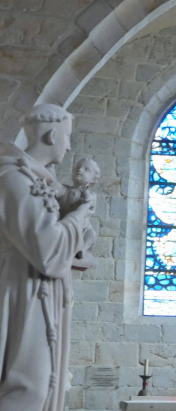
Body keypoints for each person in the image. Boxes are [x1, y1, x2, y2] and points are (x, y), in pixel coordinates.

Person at [0, 104, 95, 411]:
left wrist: (77, 211)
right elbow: (49, 252)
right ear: (53, 135)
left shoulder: (39, 180)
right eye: (67, 138)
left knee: (46, 383)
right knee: (29, 387)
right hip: (24, 292)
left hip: (43, 292)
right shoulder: (14, 179)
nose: (68, 146)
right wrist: (79, 216)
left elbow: (74, 242)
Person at [57, 158, 100, 268]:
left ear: (93, 180)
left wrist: (85, 193)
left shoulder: (91, 195)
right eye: (78, 167)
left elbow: (88, 204)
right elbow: (55, 190)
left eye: (86, 169)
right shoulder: (65, 189)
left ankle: (82, 249)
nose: (80, 170)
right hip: (66, 226)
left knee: (91, 235)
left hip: (82, 229)